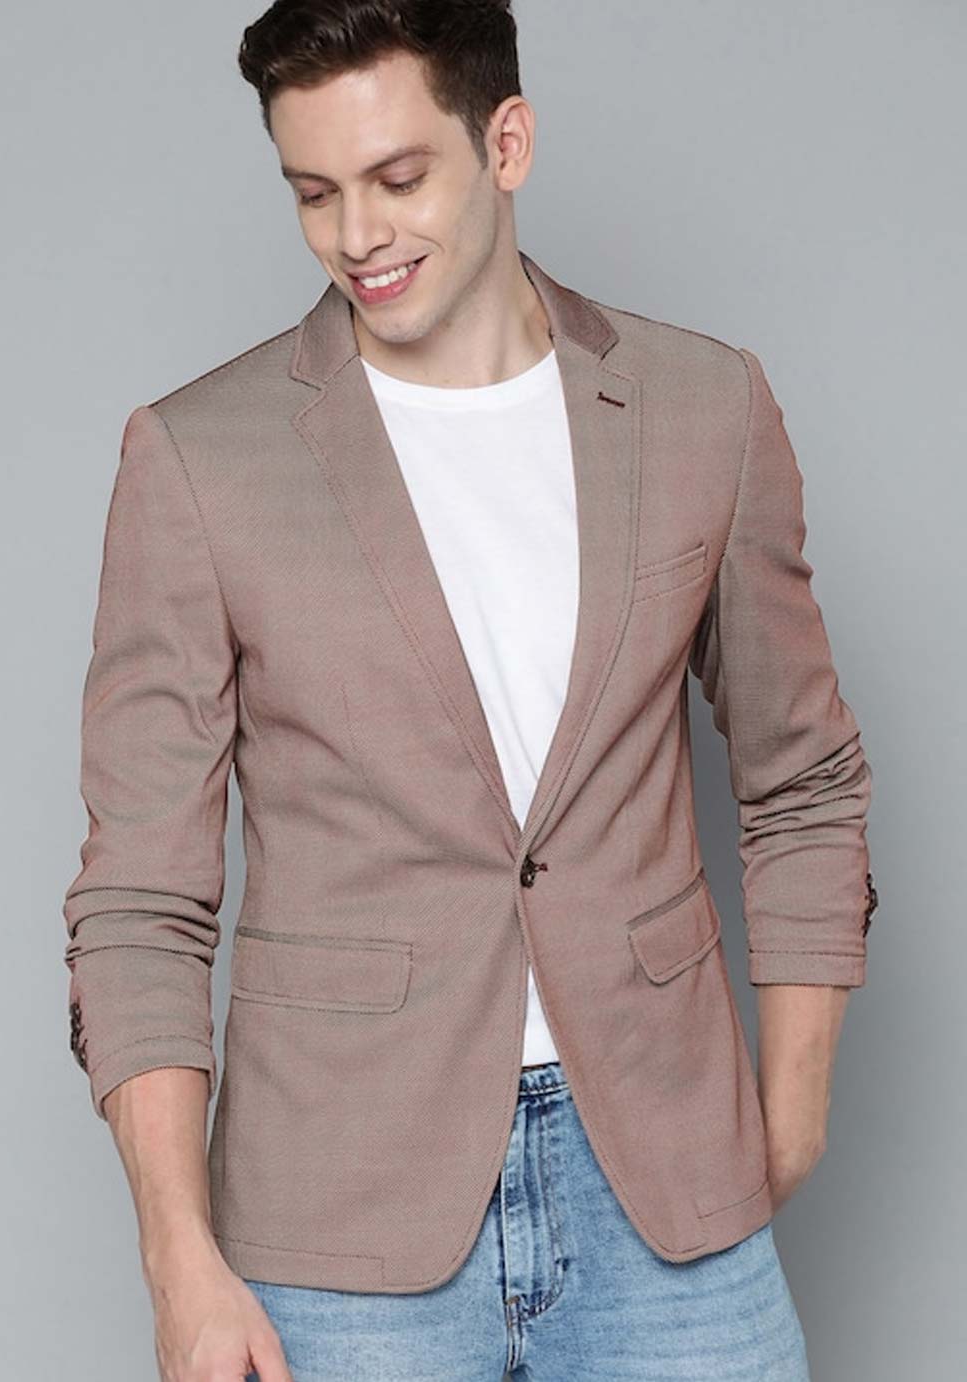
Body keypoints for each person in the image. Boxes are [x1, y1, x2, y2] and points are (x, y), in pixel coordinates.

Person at [62, 2, 878, 1377]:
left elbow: (804, 778)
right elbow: (142, 895)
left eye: (397, 178)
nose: (357, 235)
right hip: (337, 1212)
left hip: (668, 1178)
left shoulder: (704, 407)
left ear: (507, 143)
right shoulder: (199, 459)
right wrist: (178, 1256)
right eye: (314, 193)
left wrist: (791, 1109)